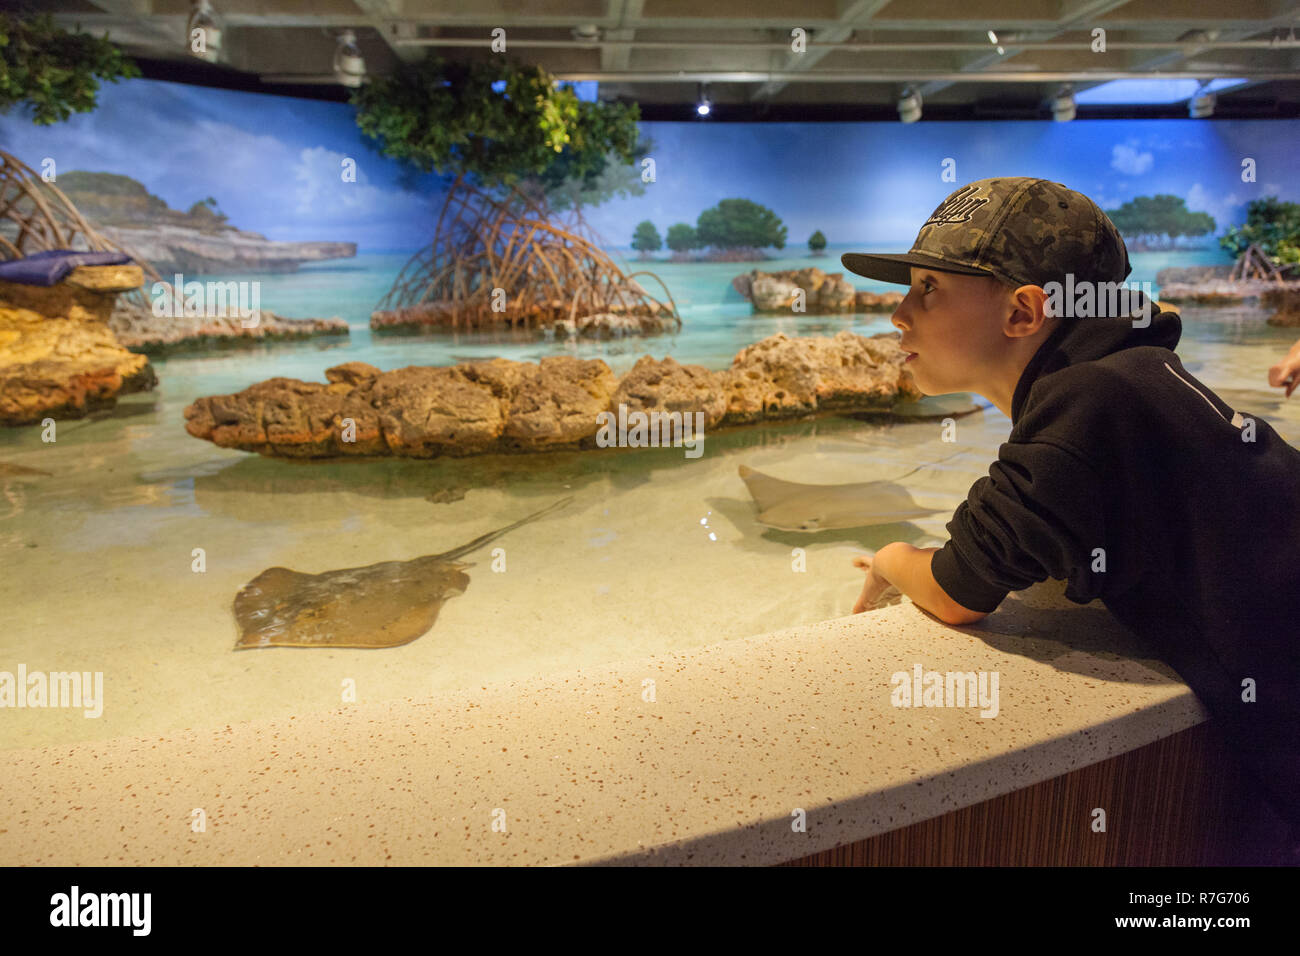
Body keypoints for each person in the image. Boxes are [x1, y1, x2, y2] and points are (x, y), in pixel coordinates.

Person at [840, 177, 1300, 853]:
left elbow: (956, 588)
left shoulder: (1084, 407)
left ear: (1024, 313)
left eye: (928, 289)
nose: (898, 314)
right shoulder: (1128, 376)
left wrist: (887, 559)